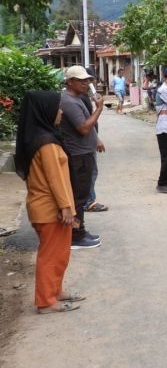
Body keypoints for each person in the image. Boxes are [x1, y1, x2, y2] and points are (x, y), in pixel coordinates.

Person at [15, 91, 85, 314]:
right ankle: (46, 301)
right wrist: (66, 208)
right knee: (51, 254)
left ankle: (55, 290)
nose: (62, 112)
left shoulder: (43, 137)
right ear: (45, 111)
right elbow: (55, 179)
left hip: (50, 207)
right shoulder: (46, 143)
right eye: (58, 107)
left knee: (60, 252)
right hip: (50, 209)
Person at [60, 65, 103, 249]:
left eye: (87, 80)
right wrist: (99, 109)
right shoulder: (69, 101)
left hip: (83, 152)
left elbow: (88, 129)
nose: (86, 84)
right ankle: (75, 236)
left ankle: (79, 230)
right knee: (78, 196)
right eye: (81, 80)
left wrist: (96, 139)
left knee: (82, 194)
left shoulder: (76, 98)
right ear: (70, 82)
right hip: (77, 155)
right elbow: (84, 128)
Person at [82, 70, 108, 213]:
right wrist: (96, 138)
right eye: (86, 81)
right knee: (90, 171)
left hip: (89, 137)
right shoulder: (80, 99)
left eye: (91, 81)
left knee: (91, 171)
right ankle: (88, 201)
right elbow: (86, 123)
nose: (89, 84)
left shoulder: (85, 97)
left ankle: (87, 200)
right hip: (86, 140)